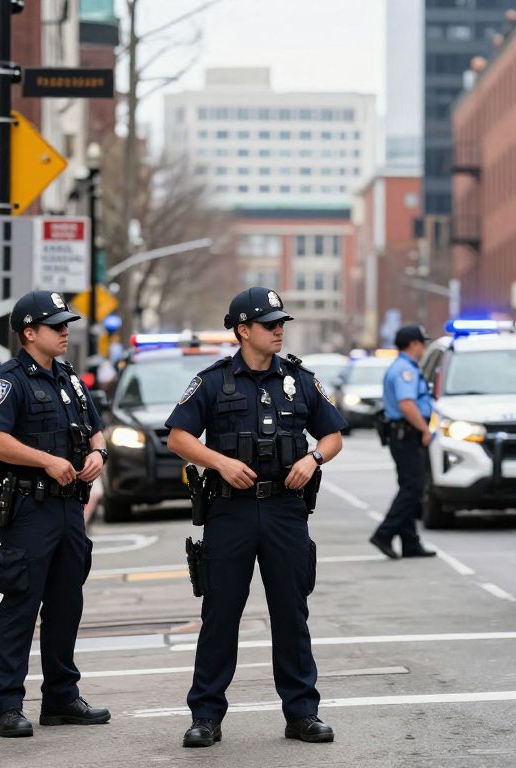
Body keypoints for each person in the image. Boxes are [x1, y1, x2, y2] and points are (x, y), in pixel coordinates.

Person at [167, 286, 347, 749]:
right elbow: (179, 437)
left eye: (281, 323)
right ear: (243, 330)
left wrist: (314, 460)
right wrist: (220, 462)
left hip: (286, 510)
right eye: (270, 324)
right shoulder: (212, 381)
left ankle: (303, 712)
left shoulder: (300, 379)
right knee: (221, 614)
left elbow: (332, 436)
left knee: (291, 613)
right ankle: (206, 715)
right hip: (230, 510)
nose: (279, 331)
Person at [0, 290, 110, 738]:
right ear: (29, 333)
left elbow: (98, 428)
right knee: (21, 603)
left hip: (70, 507)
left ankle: (60, 697)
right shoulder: (7, 381)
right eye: (56, 325)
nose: (65, 330)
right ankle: (7, 706)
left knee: (66, 604)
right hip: (29, 507)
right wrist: (45, 460)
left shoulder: (70, 379)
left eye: (66, 323)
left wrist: (98, 452)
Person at [369, 325, 437, 560]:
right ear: (414, 344)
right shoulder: (404, 370)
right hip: (407, 434)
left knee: (409, 487)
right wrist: (424, 429)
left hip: (403, 435)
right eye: (422, 343)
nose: (424, 348)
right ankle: (384, 534)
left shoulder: (404, 367)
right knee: (413, 488)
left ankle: (410, 543)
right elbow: (407, 404)